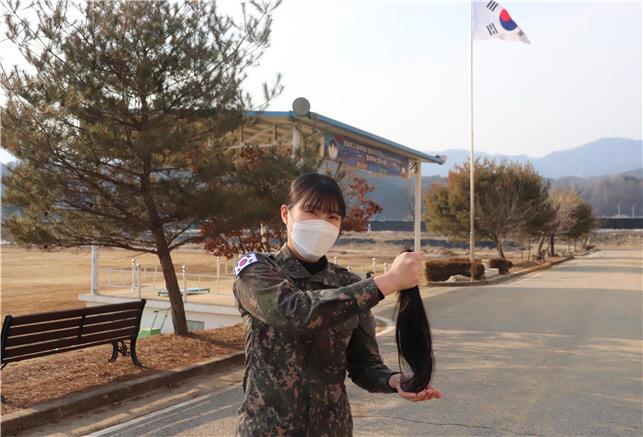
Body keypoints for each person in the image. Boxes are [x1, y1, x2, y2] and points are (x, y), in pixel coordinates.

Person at [232, 172, 442, 436]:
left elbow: (363, 364)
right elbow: (296, 312)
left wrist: (393, 380)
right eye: (311, 211)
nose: (322, 223)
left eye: (332, 217)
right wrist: (387, 282)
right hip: (266, 430)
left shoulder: (347, 282)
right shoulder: (256, 270)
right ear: (286, 214)